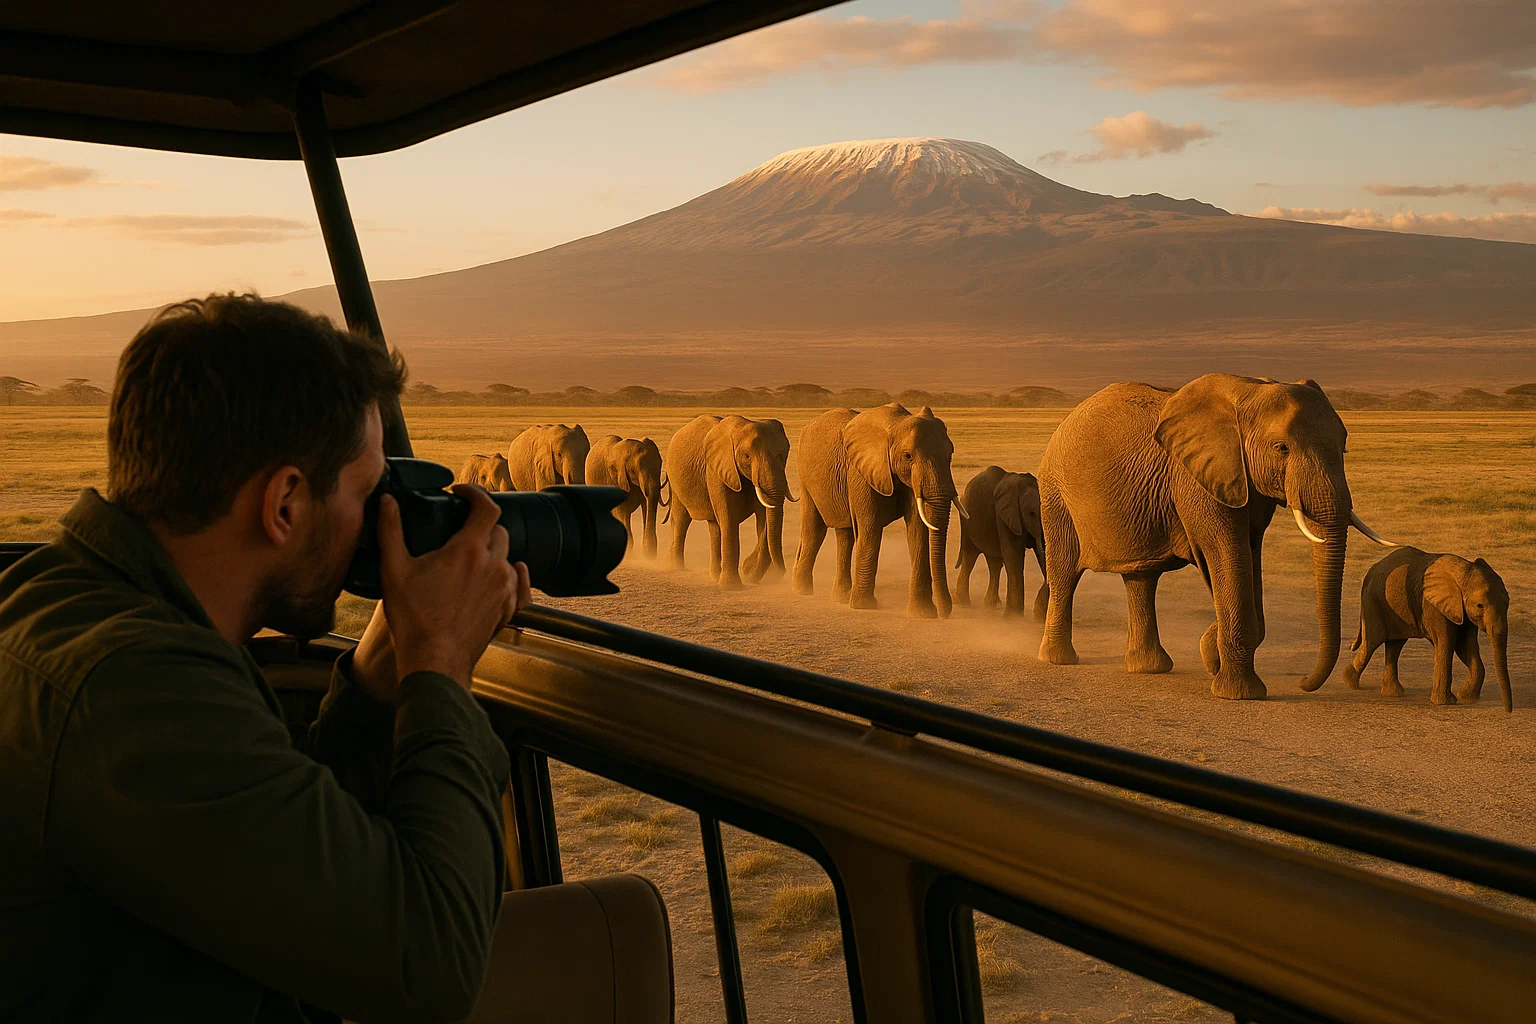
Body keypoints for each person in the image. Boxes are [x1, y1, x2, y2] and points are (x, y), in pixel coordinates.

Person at [0, 294, 531, 1022]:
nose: (382, 521)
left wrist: (382, 675)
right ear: (285, 503)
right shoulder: (130, 690)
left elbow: (274, 839)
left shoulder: (70, 604)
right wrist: (440, 664)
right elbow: (427, 964)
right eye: (368, 492)